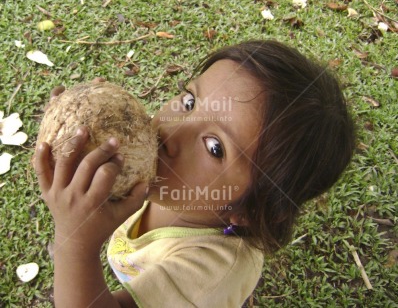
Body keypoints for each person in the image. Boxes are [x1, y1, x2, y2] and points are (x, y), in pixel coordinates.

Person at [35, 40, 355, 307]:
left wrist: (75, 241)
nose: (171, 133)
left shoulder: (209, 276)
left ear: (250, 209)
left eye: (215, 147)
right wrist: (81, 131)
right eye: (189, 101)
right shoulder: (170, 179)